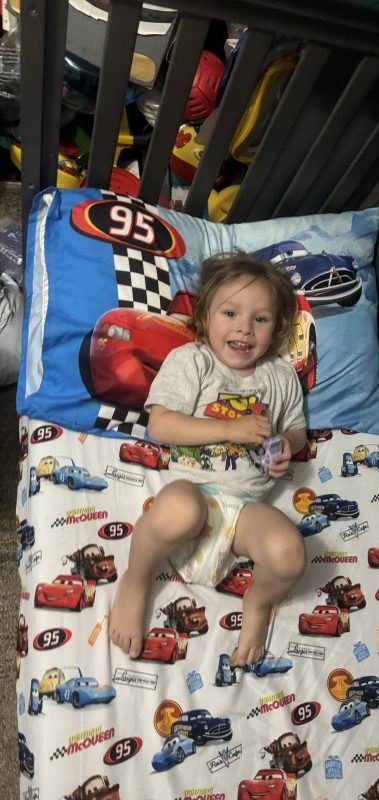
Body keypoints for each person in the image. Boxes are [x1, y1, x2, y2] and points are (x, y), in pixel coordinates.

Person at [108, 252, 307, 666]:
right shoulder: (193, 360)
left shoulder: (280, 376)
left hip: (245, 510)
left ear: (276, 328)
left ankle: (258, 602)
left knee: (290, 554)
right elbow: (161, 425)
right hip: (194, 491)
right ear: (205, 317)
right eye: (230, 313)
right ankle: (137, 579)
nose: (244, 328)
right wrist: (230, 429)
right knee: (180, 510)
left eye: (260, 319)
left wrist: (287, 444)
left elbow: (296, 430)